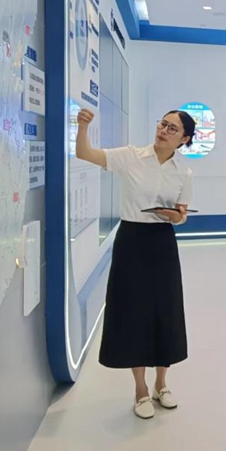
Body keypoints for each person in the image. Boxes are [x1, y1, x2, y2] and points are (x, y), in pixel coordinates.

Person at [75, 108, 194, 420]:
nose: (164, 130)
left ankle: (161, 384)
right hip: (131, 240)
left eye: (172, 128)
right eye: (163, 124)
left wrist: (176, 217)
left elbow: (182, 213)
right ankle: (140, 389)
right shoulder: (130, 156)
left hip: (163, 242)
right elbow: (85, 153)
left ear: (184, 139)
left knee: (165, 310)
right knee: (133, 312)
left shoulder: (184, 171)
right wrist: (83, 127)